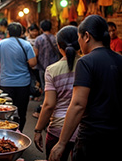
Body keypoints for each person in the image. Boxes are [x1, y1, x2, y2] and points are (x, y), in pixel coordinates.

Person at [49, 15, 122, 161]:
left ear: (86, 36)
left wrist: (62, 143)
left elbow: (77, 105)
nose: (79, 42)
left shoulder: (86, 62)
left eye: (79, 38)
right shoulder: (120, 59)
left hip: (92, 137)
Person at [34, 26, 80, 161]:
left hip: (58, 129)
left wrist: (38, 130)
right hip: (83, 129)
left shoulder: (52, 70)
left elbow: (49, 104)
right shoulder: (89, 65)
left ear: (59, 46)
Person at [0, 22, 37, 131]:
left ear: (7, 32)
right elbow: (33, 63)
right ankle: (19, 133)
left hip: (6, 84)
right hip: (23, 84)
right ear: (22, 32)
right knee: (21, 112)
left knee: (5, 111)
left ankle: (7, 134)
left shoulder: (1, 44)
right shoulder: (26, 44)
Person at [33, 20, 60, 118]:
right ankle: (52, 110)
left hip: (42, 68)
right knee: (54, 89)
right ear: (51, 28)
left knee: (46, 89)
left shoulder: (38, 39)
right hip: (55, 68)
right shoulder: (55, 38)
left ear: (41, 28)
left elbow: (35, 54)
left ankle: (44, 111)